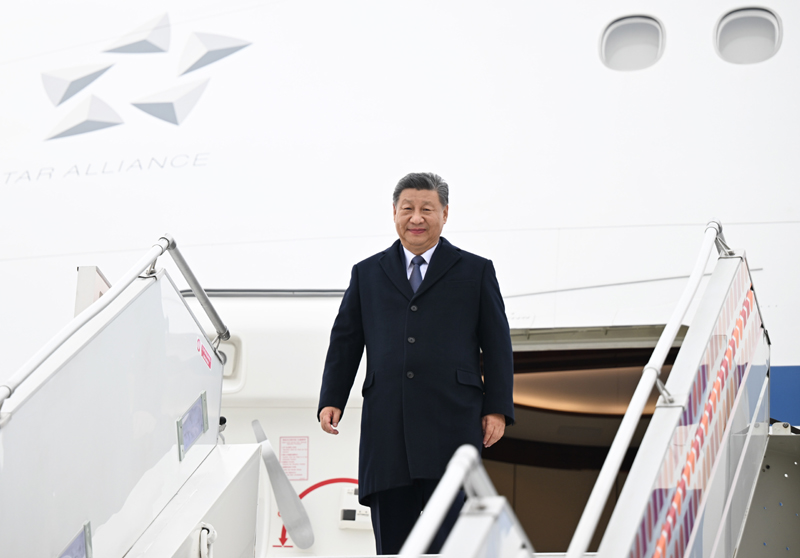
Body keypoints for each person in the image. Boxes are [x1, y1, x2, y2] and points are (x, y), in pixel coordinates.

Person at [317, 172, 514, 554]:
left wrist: (497, 408)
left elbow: (497, 344)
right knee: (393, 544)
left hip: (452, 424)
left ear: (445, 214)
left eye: (427, 209)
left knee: (452, 541)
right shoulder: (366, 273)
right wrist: (332, 398)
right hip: (387, 429)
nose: (416, 218)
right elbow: (345, 341)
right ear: (394, 212)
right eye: (407, 208)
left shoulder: (475, 270)